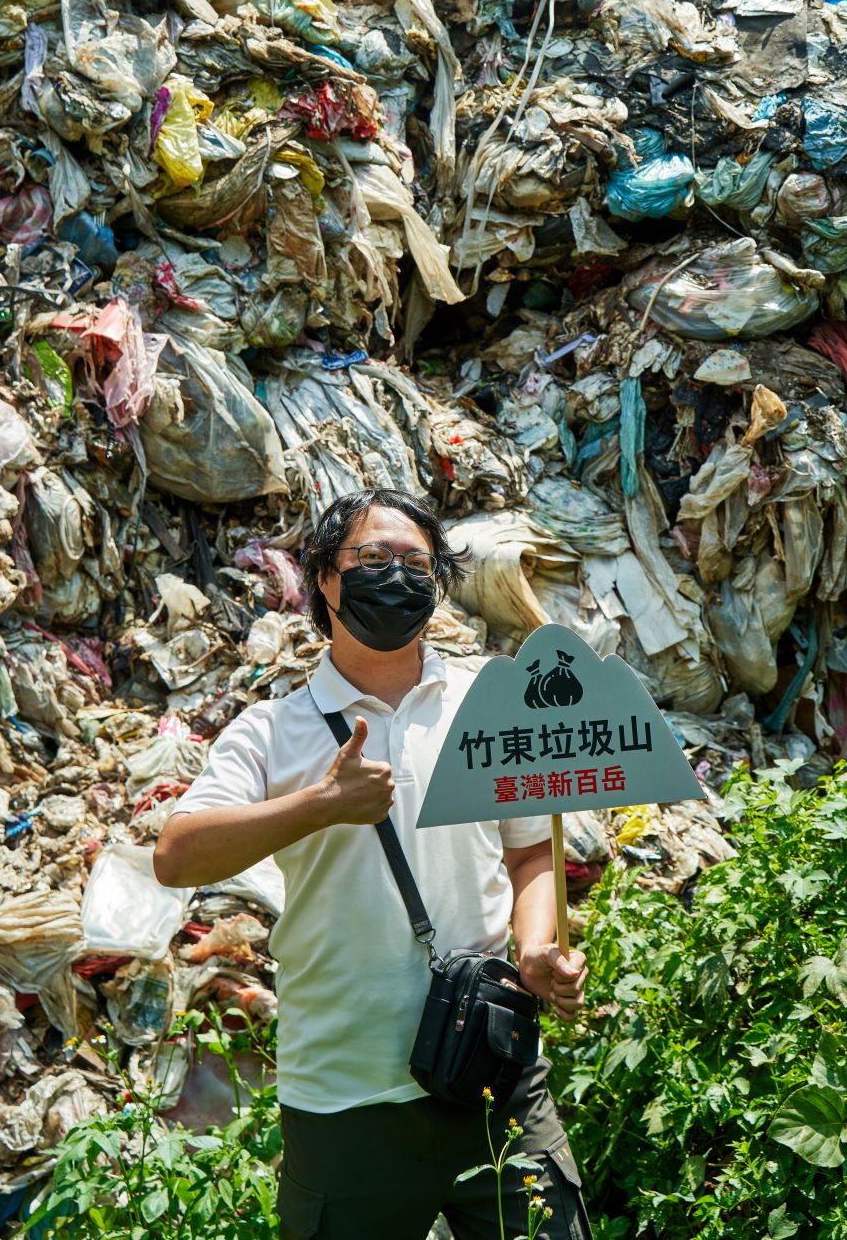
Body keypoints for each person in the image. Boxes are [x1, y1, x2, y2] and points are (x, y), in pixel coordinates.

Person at [155, 487, 591, 1240]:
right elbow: (176, 854)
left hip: (494, 1075)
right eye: (371, 557)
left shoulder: (487, 700)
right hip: (343, 1098)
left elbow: (528, 851)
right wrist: (319, 802)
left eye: (415, 561)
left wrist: (533, 946)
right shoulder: (272, 730)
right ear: (325, 578)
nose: (396, 574)